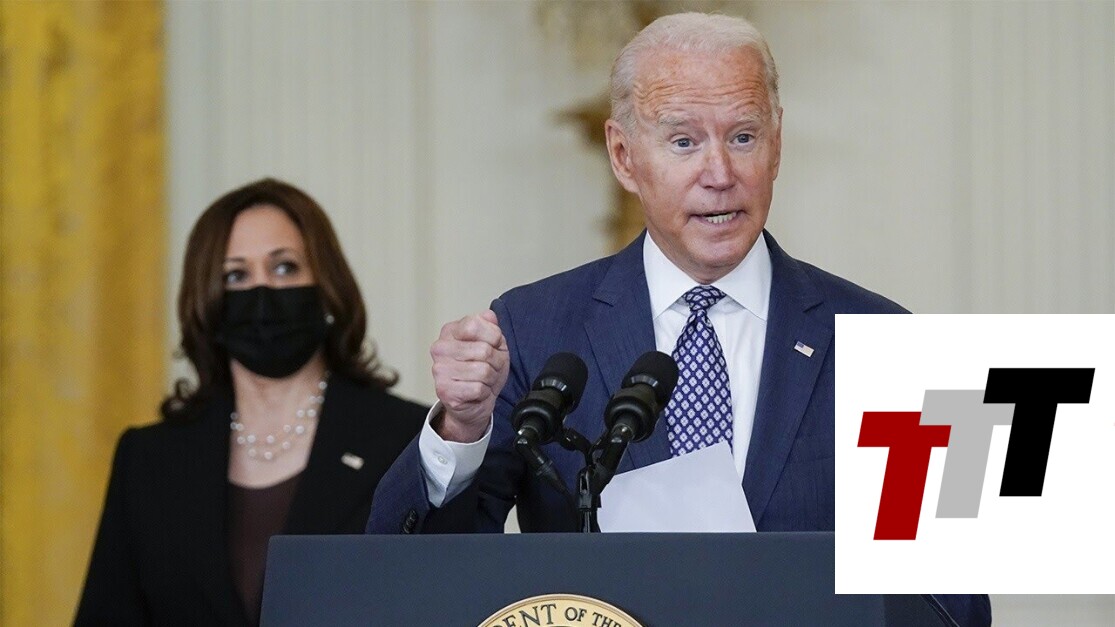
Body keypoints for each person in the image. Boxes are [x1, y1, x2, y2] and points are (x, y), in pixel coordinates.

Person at [367, 13, 989, 626]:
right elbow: (411, 572)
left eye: (743, 137)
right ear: (623, 155)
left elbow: (952, 602)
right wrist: (460, 429)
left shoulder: (887, 338)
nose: (720, 175)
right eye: (684, 142)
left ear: (777, 144)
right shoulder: (534, 328)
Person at [76, 178, 427, 626]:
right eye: (235, 276)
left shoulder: (407, 440)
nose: (262, 293)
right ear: (207, 300)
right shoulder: (148, 460)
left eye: (284, 267)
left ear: (327, 283)